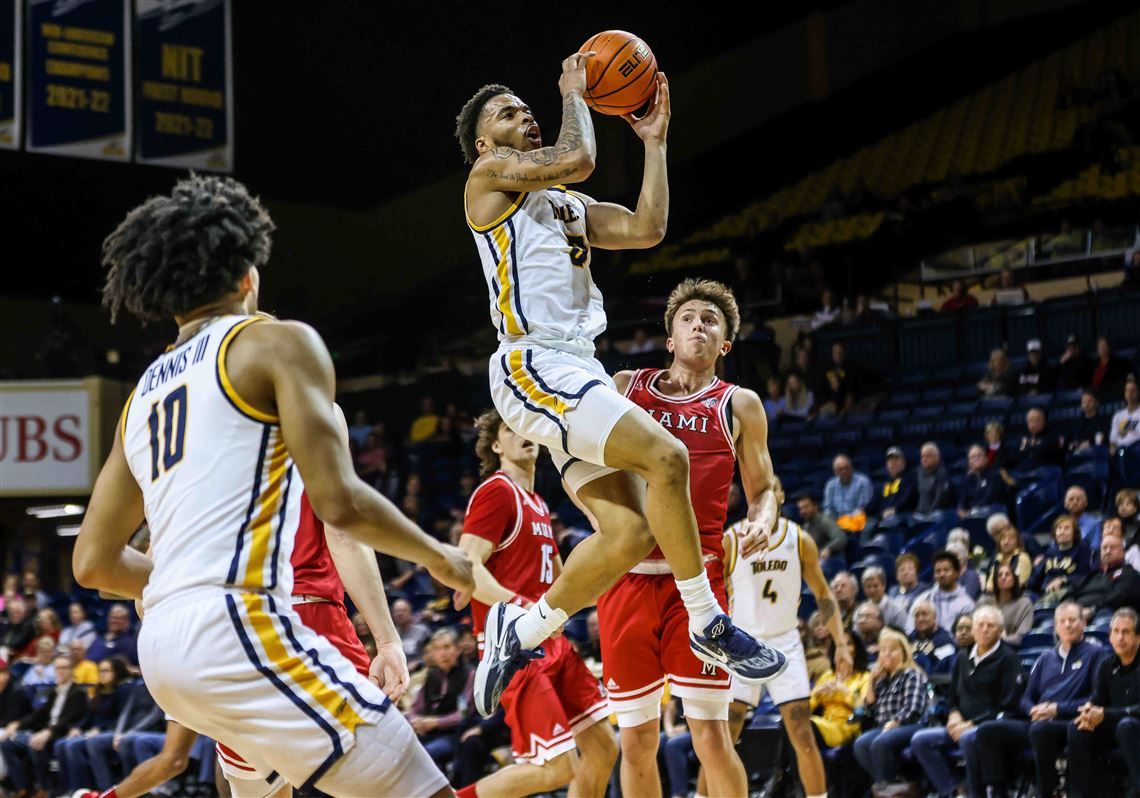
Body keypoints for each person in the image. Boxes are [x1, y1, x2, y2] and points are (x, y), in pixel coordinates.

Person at [73, 174, 474, 798]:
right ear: (247, 276)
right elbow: (340, 504)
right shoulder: (275, 342)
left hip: (165, 652)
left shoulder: (142, 397)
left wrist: (178, 586)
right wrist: (442, 556)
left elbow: (92, 562)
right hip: (241, 624)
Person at [457, 64, 782, 716]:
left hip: (575, 366)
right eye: (509, 114)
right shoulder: (487, 180)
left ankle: (517, 630)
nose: (527, 116)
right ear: (487, 145)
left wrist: (654, 143)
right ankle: (707, 619)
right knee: (668, 458)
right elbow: (576, 155)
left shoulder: (566, 205)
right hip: (533, 363)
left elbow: (645, 228)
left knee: (630, 533)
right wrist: (573, 93)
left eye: (529, 108)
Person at [603, 279, 789, 798]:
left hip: (699, 586)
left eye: (711, 320)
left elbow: (764, 490)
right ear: (670, 337)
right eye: (688, 318)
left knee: (710, 733)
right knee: (636, 740)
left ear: (724, 344)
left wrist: (762, 519)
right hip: (626, 579)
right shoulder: (624, 387)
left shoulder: (739, 404)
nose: (698, 326)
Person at [456, 409, 615, 798]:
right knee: (555, 770)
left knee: (604, 748)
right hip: (514, 646)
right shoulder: (497, 491)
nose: (522, 433)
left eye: (527, 426)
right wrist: (522, 606)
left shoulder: (539, 503)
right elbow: (466, 568)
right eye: (511, 428)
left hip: (551, 643)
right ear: (496, 445)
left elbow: (565, 581)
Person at [723, 501, 850, 798]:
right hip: (741, 641)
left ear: (777, 498)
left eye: (768, 492)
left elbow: (822, 592)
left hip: (784, 642)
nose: (760, 499)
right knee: (724, 736)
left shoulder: (799, 539)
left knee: (802, 732)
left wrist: (841, 643)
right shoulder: (731, 538)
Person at [978, 601, 1107, 798]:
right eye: (1062, 621)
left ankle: (1046, 791)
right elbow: (1026, 698)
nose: (1067, 625)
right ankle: (998, 792)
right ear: (1055, 626)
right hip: (1039, 720)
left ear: (1083, 624)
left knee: (1041, 729)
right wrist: (1033, 710)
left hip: (1071, 722)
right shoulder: (1046, 657)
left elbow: (1095, 698)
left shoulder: (1095, 654)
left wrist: (1057, 709)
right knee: (988, 730)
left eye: (1072, 620)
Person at [910, 605, 1026, 798]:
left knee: (967, 738)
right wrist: (954, 716)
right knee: (921, 740)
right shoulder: (963, 657)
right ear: (973, 629)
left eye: (991, 625)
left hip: (989, 726)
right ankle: (956, 790)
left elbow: (1008, 704)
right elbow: (952, 696)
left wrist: (970, 724)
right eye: (980, 625)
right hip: (960, 724)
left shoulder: (1008, 659)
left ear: (1000, 631)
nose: (985, 629)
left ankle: (976, 793)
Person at [1066, 607, 1140, 798]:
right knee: (1078, 727)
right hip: (1116, 725)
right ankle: (1080, 793)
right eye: (1116, 632)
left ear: (1138, 638)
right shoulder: (1106, 665)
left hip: (1134, 726)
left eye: (1126, 632)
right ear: (1109, 637)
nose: (1120, 637)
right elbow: (1098, 700)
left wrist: (1105, 714)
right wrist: (1088, 711)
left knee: (1126, 726)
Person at [853, 629, 929, 790]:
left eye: (892, 650)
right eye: (883, 650)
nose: (886, 654)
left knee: (880, 742)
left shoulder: (911, 674)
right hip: (886, 728)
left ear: (904, 652)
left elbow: (914, 708)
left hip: (911, 725)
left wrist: (896, 721)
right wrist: (872, 680)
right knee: (861, 743)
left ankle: (885, 787)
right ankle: (891, 784)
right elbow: (870, 707)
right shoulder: (883, 679)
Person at [0, 654, 88, 795]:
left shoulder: (78, 692)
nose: (60, 671)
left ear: (72, 670)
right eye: (58, 668)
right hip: (46, 731)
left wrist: (49, 732)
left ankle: (45, 788)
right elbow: (37, 715)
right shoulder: (54, 691)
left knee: (36, 744)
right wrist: (17, 724)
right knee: (7, 743)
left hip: (62, 732)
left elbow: (68, 718)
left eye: (64, 668)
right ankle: (24, 787)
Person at [56, 656, 132, 795]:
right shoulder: (99, 691)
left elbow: (123, 718)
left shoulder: (123, 691)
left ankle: (105, 790)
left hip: (114, 732)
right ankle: (75, 790)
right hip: (93, 732)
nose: (102, 674)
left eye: (106, 670)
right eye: (100, 671)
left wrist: (100, 730)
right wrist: (76, 728)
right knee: (62, 743)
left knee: (80, 744)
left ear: (116, 672)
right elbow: (88, 717)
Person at [808, 635, 871, 748]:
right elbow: (807, 709)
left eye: (849, 644)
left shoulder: (864, 677)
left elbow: (861, 709)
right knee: (793, 723)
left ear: (856, 650)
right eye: (840, 645)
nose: (844, 649)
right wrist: (816, 695)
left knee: (807, 726)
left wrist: (845, 691)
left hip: (847, 727)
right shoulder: (827, 676)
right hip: (825, 723)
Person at [1072, 531, 1140, 614]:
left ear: (1123, 552)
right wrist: (1070, 606)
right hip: (1077, 613)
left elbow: (1117, 597)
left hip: (1106, 614)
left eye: (1113, 548)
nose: (1107, 551)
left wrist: (1093, 610)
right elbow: (1072, 590)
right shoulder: (1092, 574)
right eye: (1104, 548)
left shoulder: (1129, 574)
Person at [1027, 514, 1091, 601]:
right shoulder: (1049, 553)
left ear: (1074, 533)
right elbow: (1035, 579)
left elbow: (1084, 576)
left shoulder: (1082, 551)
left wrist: (1063, 579)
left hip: (1069, 593)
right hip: (1044, 593)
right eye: (1059, 528)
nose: (1062, 531)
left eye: (1067, 528)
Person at [912, 551, 976, 635]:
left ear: (957, 573)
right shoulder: (923, 599)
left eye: (946, 570)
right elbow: (911, 628)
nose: (942, 574)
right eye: (938, 571)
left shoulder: (967, 604)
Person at [985, 564, 1033, 646]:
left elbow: (1021, 637)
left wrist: (998, 640)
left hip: (1010, 649)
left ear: (1014, 579)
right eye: (1000, 575)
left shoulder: (1024, 603)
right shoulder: (986, 602)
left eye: (1007, 574)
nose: (1003, 577)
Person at [794, 493, 846, 568]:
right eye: (801, 509)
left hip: (832, 560)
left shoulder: (825, 520)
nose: (803, 511)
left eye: (806, 507)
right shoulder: (805, 526)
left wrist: (828, 549)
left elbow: (840, 538)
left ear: (815, 506)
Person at [822, 454, 872, 531]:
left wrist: (845, 520)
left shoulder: (862, 482)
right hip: (837, 522)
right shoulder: (831, 485)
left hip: (857, 521)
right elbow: (828, 508)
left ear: (852, 468)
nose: (844, 471)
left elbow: (863, 508)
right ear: (835, 472)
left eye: (847, 468)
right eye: (840, 469)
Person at [907, 600, 956, 675]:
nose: (920, 619)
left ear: (934, 616)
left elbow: (944, 670)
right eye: (917, 615)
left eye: (924, 614)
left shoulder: (945, 641)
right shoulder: (909, 639)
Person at [871, 447, 916, 525]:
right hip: (883, 518)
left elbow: (907, 501)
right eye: (890, 460)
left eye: (896, 459)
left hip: (902, 517)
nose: (893, 463)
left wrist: (895, 509)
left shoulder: (910, 479)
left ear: (903, 463)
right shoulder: (883, 483)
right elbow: (875, 505)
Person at [958, 444, 1006, 518]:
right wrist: (962, 511)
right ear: (969, 462)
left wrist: (972, 511)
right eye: (972, 457)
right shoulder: (967, 480)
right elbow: (962, 503)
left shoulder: (995, 475)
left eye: (979, 455)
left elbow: (990, 498)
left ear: (986, 459)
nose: (976, 458)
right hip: (972, 516)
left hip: (993, 514)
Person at [983, 524, 1033, 593]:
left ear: (1017, 541)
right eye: (1003, 539)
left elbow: (1019, 584)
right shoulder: (998, 558)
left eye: (1010, 539)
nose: (1006, 542)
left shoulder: (1022, 558)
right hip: (996, 595)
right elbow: (990, 583)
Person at [914, 442, 955, 516]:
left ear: (937, 457)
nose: (924, 459)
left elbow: (940, 499)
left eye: (928, 456)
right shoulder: (917, 474)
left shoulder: (943, 474)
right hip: (919, 513)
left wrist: (928, 514)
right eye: (922, 456)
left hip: (936, 513)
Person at [1110, 376, 1140, 452]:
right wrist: (1112, 448)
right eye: (1127, 390)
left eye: (1133, 391)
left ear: (1138, 392)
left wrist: (1124, 428)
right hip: (1121, 451)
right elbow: (1113, 440)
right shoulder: (1118, 415)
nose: (1130, 393)